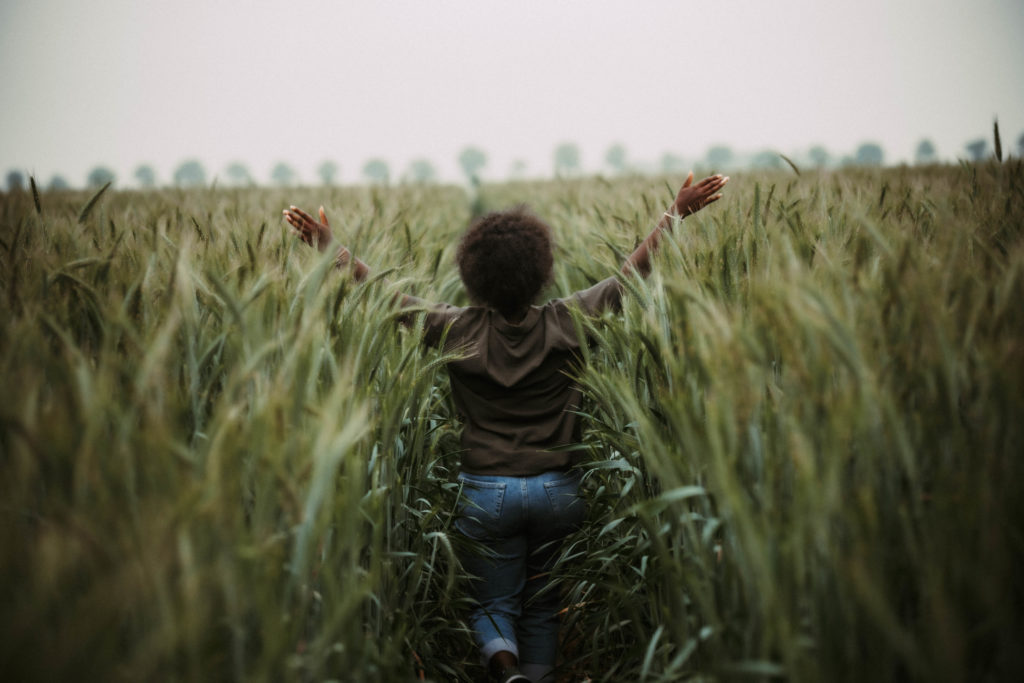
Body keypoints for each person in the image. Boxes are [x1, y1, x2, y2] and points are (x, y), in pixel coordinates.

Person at [283, 171, 728, 683]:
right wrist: (675, 214)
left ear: (473, 276)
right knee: (542, 603)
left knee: (494, 599)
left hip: (487, 492)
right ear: (541, 272)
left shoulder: (452, 327)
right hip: (558, 490)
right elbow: (629, 277)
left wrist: (329, 247)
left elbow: (383, 296)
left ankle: (505, 668)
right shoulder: (568, 321)